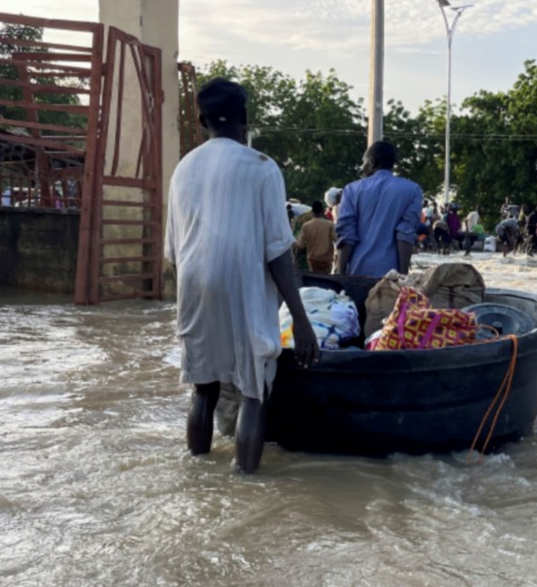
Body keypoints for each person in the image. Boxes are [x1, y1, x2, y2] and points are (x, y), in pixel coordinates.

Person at [164, 77, 319, 475]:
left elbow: (173, 250)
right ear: (245, 120)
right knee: (253, 392)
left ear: (201, 120)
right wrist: (301, 321)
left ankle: (196, 475)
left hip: (192, 283)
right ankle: (245, 483)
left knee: (204, 388)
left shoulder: (182, 170)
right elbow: (277, 252)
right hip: (241, 282)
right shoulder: (262, 167)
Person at [336, 140, 423, 277]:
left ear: (372, 161)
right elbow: (405, 236)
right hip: (390, 275)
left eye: (363, 162)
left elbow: (347, 236)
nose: (363, 167)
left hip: (357, 272)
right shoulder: (413, 190)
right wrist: (403, 276)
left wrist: (340, 274)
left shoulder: (351, 190)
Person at [295, 200, 336, 274]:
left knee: (315, 280)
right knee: (326, 281)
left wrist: (295, 259)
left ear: (312, 211)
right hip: (327, 260)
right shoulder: (330, 225)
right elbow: (337, 240)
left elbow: (300, 245)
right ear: (323, 211)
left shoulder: (306, 226)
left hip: (313, 260)